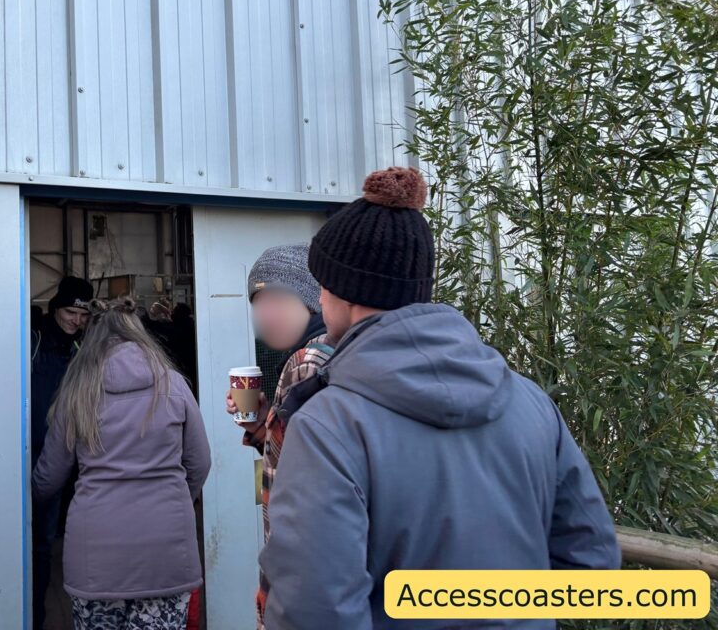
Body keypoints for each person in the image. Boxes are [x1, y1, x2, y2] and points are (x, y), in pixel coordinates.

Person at [259, 167, 621, 630]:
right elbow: (592, 563)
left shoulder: (329, 425)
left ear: (341, 293)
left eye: (322, 285)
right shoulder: (531, 404)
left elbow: (315, 612)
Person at [34, 297, 211, 630]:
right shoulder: (172, 384)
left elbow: (49, 477)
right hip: (166, 550)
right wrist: (172, 499)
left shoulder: (77, 392)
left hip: (95, 556)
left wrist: (26, 507)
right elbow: (200, 462)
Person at [224, 244, 333, 629]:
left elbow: (308, 490)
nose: (265, 314)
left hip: (305, 579)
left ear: (312, 300)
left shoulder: (308, 363)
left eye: (278, 299)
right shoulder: (316, 357)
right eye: (258, 302)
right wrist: (260, 426)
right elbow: (295, 460)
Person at [31, 275, 93, 630]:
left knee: (54, 540)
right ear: (56, 308)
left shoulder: (81, 349)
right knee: (33, 541)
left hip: (69, 460)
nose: (76, 320)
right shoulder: (34, 340)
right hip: (34, 455)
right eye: (71, 312)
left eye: (83, 316)